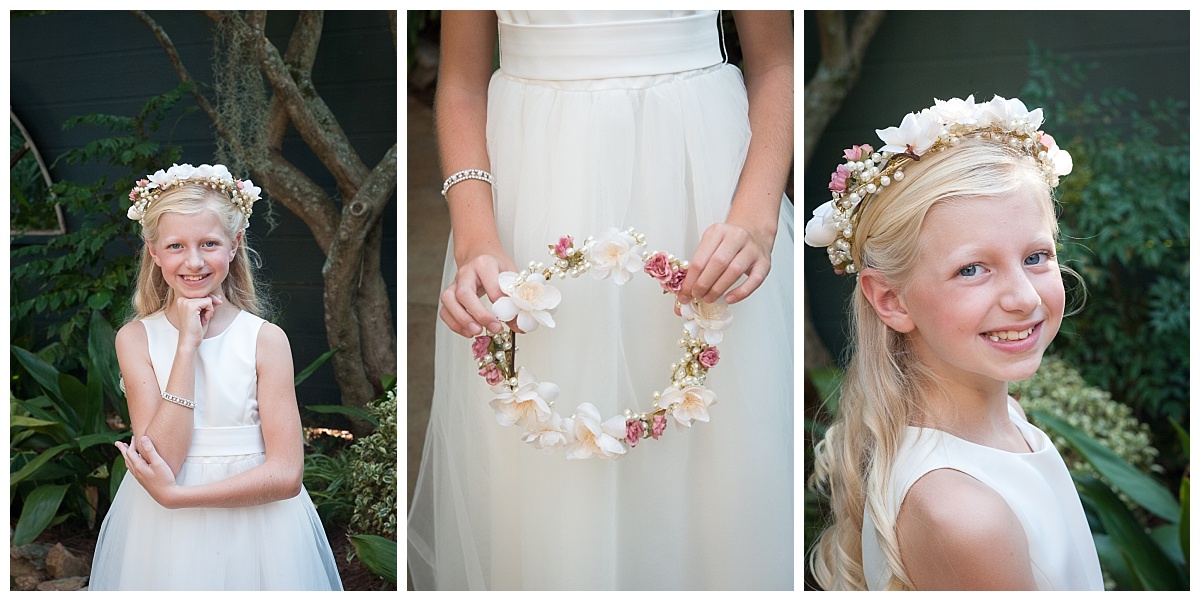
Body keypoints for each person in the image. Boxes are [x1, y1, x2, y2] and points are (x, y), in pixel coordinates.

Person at [408, 10, 794, 590]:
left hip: (702, 186)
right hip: (535, 185)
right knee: (549, 464)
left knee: (717, 455)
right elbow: (461, 81)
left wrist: (756, 220)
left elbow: (778, 61)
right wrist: (476, 239)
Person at [804, 95, 1104, 590]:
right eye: (972, 269)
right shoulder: (964, 515)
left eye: (1036, 256)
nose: (1024, 298)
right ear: (891, 299)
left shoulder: (1006, 423)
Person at [89, 163, 342, 590]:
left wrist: (179, 497)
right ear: (153, 252)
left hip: (259, 526)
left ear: (234, 245)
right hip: (162, 532)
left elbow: (286, 475)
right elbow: (162, 459)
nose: (193, 261)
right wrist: (187, 346)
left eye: (209, 243)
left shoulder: (265, 340)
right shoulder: (135, 339)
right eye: (175, 246)